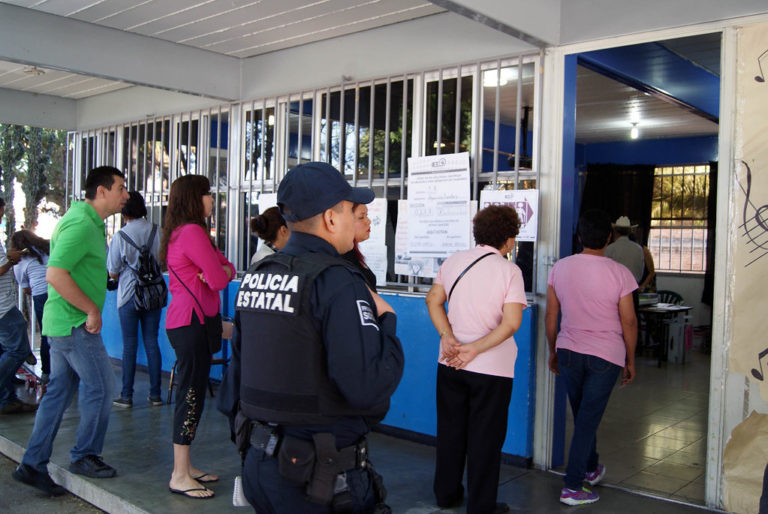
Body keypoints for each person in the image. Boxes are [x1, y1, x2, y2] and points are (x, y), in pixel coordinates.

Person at [219, 161, 404, 513]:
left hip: (261, 466)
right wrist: (388, 322)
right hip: (318, 479)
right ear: (331, 219)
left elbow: (235, 382)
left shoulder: (258, 274)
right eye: (352, 210)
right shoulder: (338, 282)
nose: (356, 219)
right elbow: (368, 388)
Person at [13, 166, 129, 496]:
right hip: (74, 324)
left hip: (60, 323)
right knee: (104, 387)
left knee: (59, 394)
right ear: (102, 191)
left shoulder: (84, 220)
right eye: (120, 188)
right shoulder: (80, 224)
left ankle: (33, 463)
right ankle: (85, 455)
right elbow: (56, 274)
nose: (126, 195)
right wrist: (91, 309)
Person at [425, 205, 527, 514]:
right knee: (485, 439)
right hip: (492, 370)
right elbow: (511, 323)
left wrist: (447, 336)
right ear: (508, 240)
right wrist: (477, 349)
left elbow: (433, 300)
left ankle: (446, 494)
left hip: (450, 362)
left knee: (451, 432)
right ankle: (481, 506)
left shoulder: (454, 261)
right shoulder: (509, 271)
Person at [545, 209, 638, 506]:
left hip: (569, 352)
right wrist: (631, 359)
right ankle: (572, 486)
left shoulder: (560, 267)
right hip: (605, 357)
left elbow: (551, 314)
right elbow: (629, 321)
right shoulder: (619, 272)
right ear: (608, 238)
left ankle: (590, 467)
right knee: (587, 420)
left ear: (580, 237)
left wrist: (553, 350)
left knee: (585, 414)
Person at [161, 174, 235, 499]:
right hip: (191, 323)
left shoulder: (185, 232)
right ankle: (179, 474)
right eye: (207, 194)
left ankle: (187, 466)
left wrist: (222, 271)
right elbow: (220, 279)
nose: (211, 200)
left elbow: (224, 268)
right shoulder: (191, 232)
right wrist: (221, 272)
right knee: (190, 396)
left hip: (190, 321)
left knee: (192, 395)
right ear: (194, 198)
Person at [107, 192, 164, 408]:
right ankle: (156, 395)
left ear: (124, 211)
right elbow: (163, 262)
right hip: (154, 294)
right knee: (152, 341)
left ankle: (126, 396)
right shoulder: (158, 231)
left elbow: (112, 272)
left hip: (129, 294)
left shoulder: (121, 236)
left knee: (129, 345)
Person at [0, 199, 38, 415]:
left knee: (9, 348)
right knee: (19, 349)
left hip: (5, 305)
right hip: (3, 307)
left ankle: (7, 400)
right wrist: (11, 262)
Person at [10, 229, 51, 385]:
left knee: (46, 333)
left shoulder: (20, 261)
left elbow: (25, 288)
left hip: (40, 295)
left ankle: (46, 373)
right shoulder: (47, 250)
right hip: (58, 291)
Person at [341, 202, 377, 291]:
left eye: (367, 215)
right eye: (361, 217)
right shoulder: (341, 258)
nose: (368, 221)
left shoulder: (352, 252)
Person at [604, 216, 644, 283]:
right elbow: (640, 273)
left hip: (615, 287)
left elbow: (605, 273)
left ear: (615, 231)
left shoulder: (610, 249)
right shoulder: (639, 249)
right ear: (629, 232)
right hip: (633, 287)